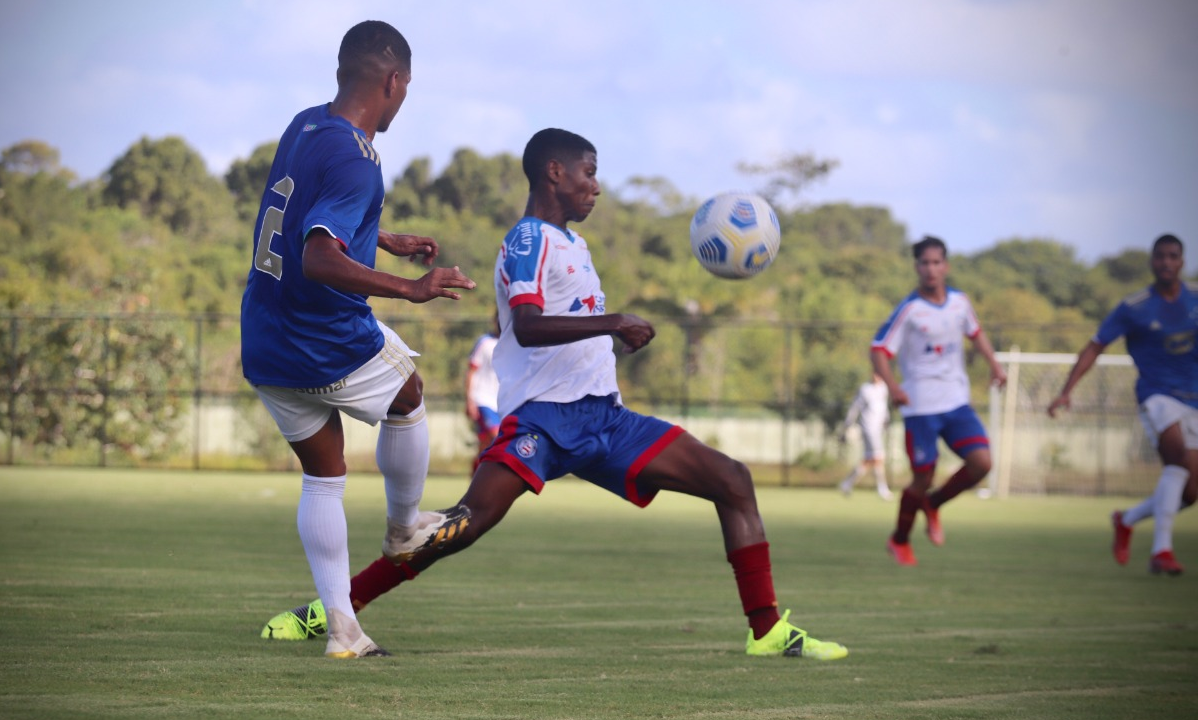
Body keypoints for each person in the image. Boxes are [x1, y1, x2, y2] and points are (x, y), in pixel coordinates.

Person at [265, 128, 848, 660]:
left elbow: (571, 330)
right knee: (456, 528)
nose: (595, 186)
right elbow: (530, 325)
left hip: (606, 422)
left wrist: (611, 333)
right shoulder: (527, 240)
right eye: (587, 173)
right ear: (554, 174)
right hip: (542, 425)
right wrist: (614, 321)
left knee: (733, 480)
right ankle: (332, 608)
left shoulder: (573, 243)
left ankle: (767, 629)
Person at [241, 20, 475, 658]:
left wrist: (382, 236)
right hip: (320, 335)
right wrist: (411, 285)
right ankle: (403, 530)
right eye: (407, 88)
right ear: (394, 81)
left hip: (264, 337)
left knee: (324, 475)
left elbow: (308, 222)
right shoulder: (358, 158)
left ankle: (343, 631)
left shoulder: (306, 125)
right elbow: (319, 257)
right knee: (408, 392)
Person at [1047, 234, 1198, 576]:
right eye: (1160, 256)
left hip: (1194, 398)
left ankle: (1126, 519)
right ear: (1152, 261)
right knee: (1176, 460)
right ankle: (1162, 550)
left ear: (1182, 261)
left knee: (1190, 493)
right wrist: (1066, 390)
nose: (1167, 263)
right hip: (1157, 395)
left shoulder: (1195, 300)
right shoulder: (1135, 307)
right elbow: (1094, 346)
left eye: (1173, 256)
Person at [871, 236, 1007, 566]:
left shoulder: (960, 303)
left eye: (936, 262)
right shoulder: (910, 310)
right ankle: (899, 539)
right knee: (923, 477)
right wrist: (893, 387)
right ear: (916, 267)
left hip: (956, 402)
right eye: (924, 263)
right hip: (919, 408)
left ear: (945, 266)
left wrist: (994, 365)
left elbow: (976, 333)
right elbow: (878, 350)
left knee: (982, 464)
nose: (931, 269)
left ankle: (934, 505)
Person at [837, 373, 894, 500]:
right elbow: (854, 408)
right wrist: (847, 425)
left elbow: (884, 408)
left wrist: (886, 421)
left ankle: (847, 484)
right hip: (868, 428)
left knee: (870, 460)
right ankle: (882, 489)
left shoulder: (884, 388)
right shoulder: (865, 389)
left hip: (878, 429)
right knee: (878, 457)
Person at [464, 314, 501, 473]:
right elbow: (471, 371)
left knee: (485, 446)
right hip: (482, 400)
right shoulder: (485, 342)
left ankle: (476, 480)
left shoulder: (512, 343)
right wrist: (469, 400)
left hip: (501, 403)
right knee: (497, 436)